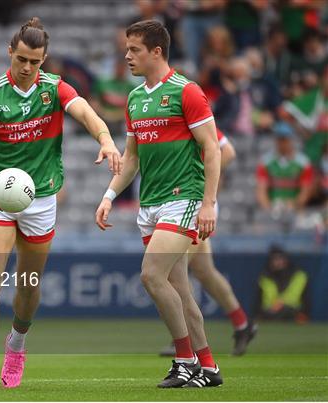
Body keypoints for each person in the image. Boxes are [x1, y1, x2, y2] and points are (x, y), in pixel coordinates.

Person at [0, 17, 122, 389]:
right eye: (21, 60)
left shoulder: (54, 88)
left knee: (29, 285)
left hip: (41, 198)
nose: (27, 68)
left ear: (44, 59)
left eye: (35, 62)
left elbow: (84, 111)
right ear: (10, 53)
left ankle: (17, 343)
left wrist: (106, 138)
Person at [95, 20, 222, 388]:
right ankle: (209, 366)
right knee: (179, 290)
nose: (127, 56)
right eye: (127, 49)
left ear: (156, 51)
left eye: (134, 49)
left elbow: (211, 149)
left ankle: (185, 361)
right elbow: (131, 157)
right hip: (149, 204)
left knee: (151, 275)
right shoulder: (136, 99)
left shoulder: (188, 92)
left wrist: (209, 203)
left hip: (183, 199)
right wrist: (108, 196)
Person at [160, 128, 258, 357]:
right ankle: (243, 325)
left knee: (176, 272)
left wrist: (199, 177)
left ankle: (185, 339)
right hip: (187, 202)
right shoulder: (176, 119)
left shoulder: (196, 119)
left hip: (196, 205)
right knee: (205, 271)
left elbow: (229, 152)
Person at [256, 122, 314, 212]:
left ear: (290, 139)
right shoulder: (265, 162)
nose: (282, 143)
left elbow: (305, 192)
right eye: (279, 139)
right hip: (273, 207)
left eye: (284, 139)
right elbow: (261, 191)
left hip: (295, 208)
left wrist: (294, 205)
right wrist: (269, 209)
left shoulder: (303, 163)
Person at [253, 246, 311, 322]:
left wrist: (303, 314)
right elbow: (257, 303)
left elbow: (306, 300)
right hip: (270, 316)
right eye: (275, 259)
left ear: (286, 260)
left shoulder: (299, 276)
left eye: (281, 258)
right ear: (270, 261)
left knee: (287, 311)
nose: (279, 262)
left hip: (293, 315)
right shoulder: (264, 278)